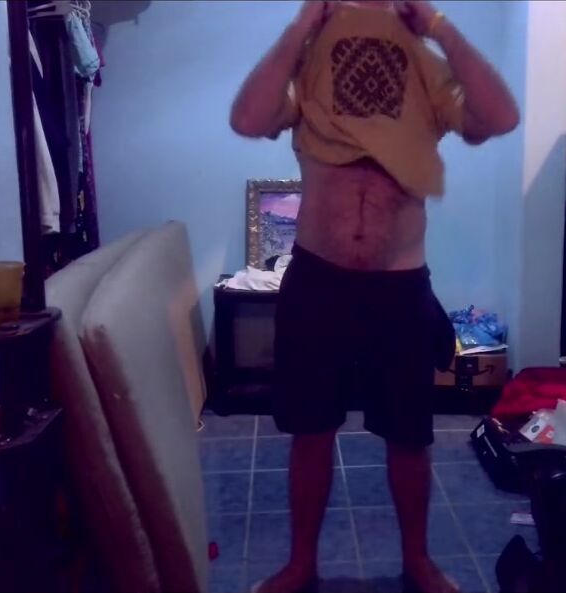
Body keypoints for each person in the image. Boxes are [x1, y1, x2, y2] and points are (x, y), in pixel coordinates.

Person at [230, 1, 518, 591]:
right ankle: (301, 563)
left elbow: (500, 114)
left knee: (409, 435)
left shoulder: (426, 76)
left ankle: (417, 561)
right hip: (318, 283)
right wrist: (301, 25)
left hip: (399, 287)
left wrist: (437, 26)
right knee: (311, 431)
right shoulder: (310, 70)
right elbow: (248, 117)